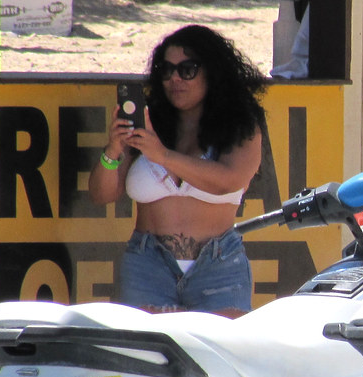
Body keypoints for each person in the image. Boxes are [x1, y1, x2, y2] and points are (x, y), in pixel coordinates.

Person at [89, 25, 266, 317]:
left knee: (217, 357)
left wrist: (163, 156)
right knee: (144, 359)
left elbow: (231, 180)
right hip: (148, 264)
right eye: (166, 70)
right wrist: (112, 151)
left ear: (212, 72)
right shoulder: (149, 121)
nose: (175, 79)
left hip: (218, 265)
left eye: (187, 70)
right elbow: (101, 195)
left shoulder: (240, 124)